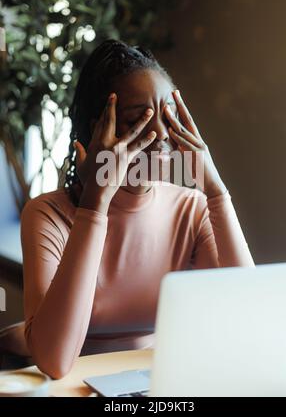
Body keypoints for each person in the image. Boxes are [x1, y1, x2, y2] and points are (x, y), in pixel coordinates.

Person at [21, 39, 254, 379]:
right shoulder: (47, 215)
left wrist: (216, 192)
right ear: (95, 131)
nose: (160, 132)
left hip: (154, 385)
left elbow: (250, 323)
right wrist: (95, 204)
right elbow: (55, 361)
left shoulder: (191, 209)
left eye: (169, 117)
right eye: (138, 120)